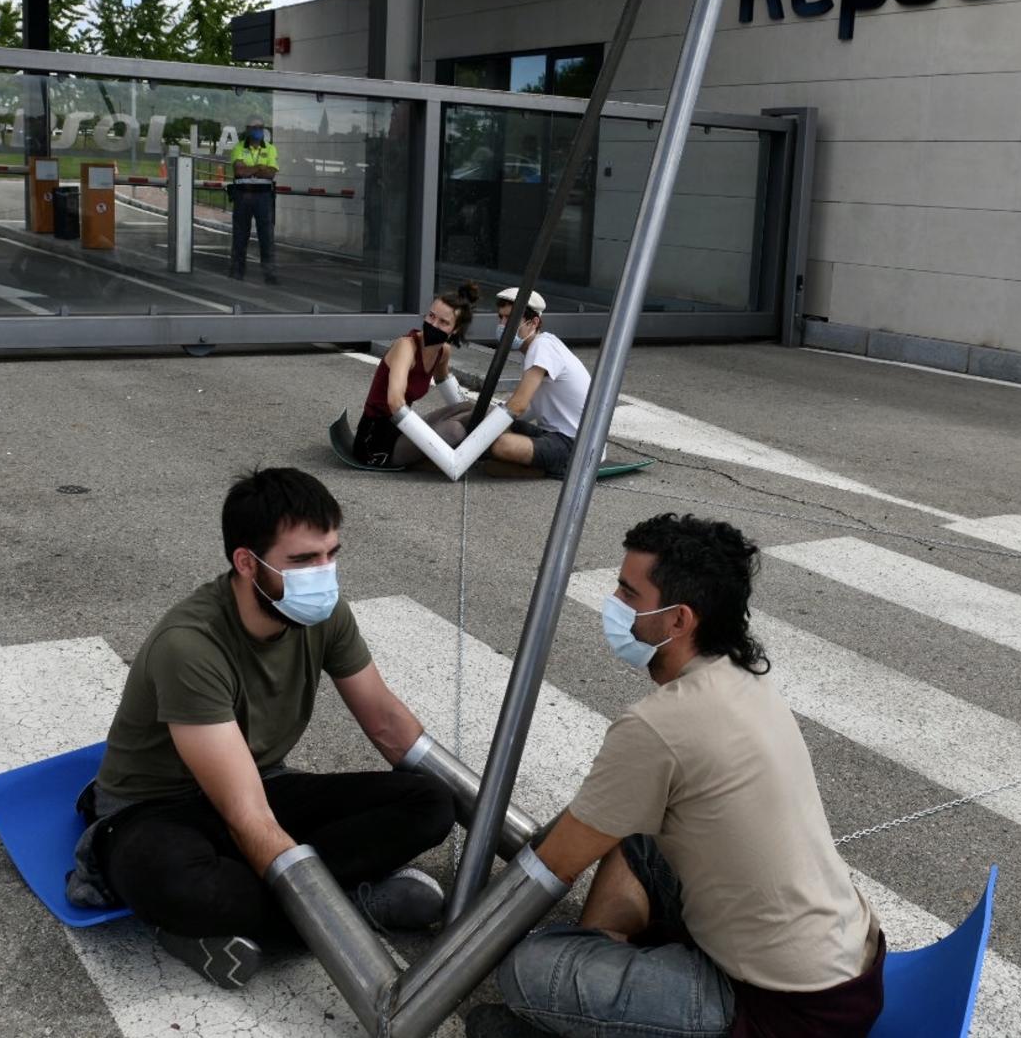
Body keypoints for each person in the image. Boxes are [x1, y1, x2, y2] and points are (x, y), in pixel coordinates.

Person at [468, 514, 886, 1038]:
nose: (613, 602)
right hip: (850, 967)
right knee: (637, 837)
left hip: (785, 1013)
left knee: (526, 972)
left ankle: (607, 1011)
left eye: (628, 591)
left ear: (678, 620)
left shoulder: (659, 725)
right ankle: (616, 1004)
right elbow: (612, 830)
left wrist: (466, 933)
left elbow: (557, 863)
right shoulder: (741, 677)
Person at [73, 468, 456, 989]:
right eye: (302, 560)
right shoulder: (190, 645)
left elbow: (389, 725)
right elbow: (244, 812)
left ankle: (268, 919)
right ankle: (337, 909)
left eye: (331, 554)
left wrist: (503, 830)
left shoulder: (324, 614)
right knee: (180, 882)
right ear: (246, 562)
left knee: (430, 802)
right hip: (159, 807)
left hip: (263, 780)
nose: (323, 574)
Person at [352, 282, 482, 468]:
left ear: (455, 330)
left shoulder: (443, 352)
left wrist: (468, 416)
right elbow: (395, 401)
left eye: (443, 322)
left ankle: (496, 446)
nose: (433, 324)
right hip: (376, 440)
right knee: (454, 432)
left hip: (403, 430)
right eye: (431, 316)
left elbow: (444, 381)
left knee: (473, 409)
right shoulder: (406, 346)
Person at [483, 288, 593, 479]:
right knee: (491, 428)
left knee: (501, 444)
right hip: (554, 435)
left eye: (509, 319)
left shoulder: (541, 347)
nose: (502, 325)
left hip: (575, 447)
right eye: (500, 318)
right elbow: (529, 409)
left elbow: (518, 406)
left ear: (533, 322)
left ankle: (545, 469)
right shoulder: (540, 346)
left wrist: (479, 438)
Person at [230, 117, 278, 284]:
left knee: (266, 237)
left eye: (260, 127)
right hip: (242, 196)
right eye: (254, 127)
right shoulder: (238, 148)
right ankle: (237, 271)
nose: (258, 130)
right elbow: (239, 171)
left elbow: (271, 173)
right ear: (248, 129)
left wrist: (250, 169)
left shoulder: (270, 149)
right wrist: (259, 168)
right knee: (240, 235)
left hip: (263, 198)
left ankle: (269, 274)